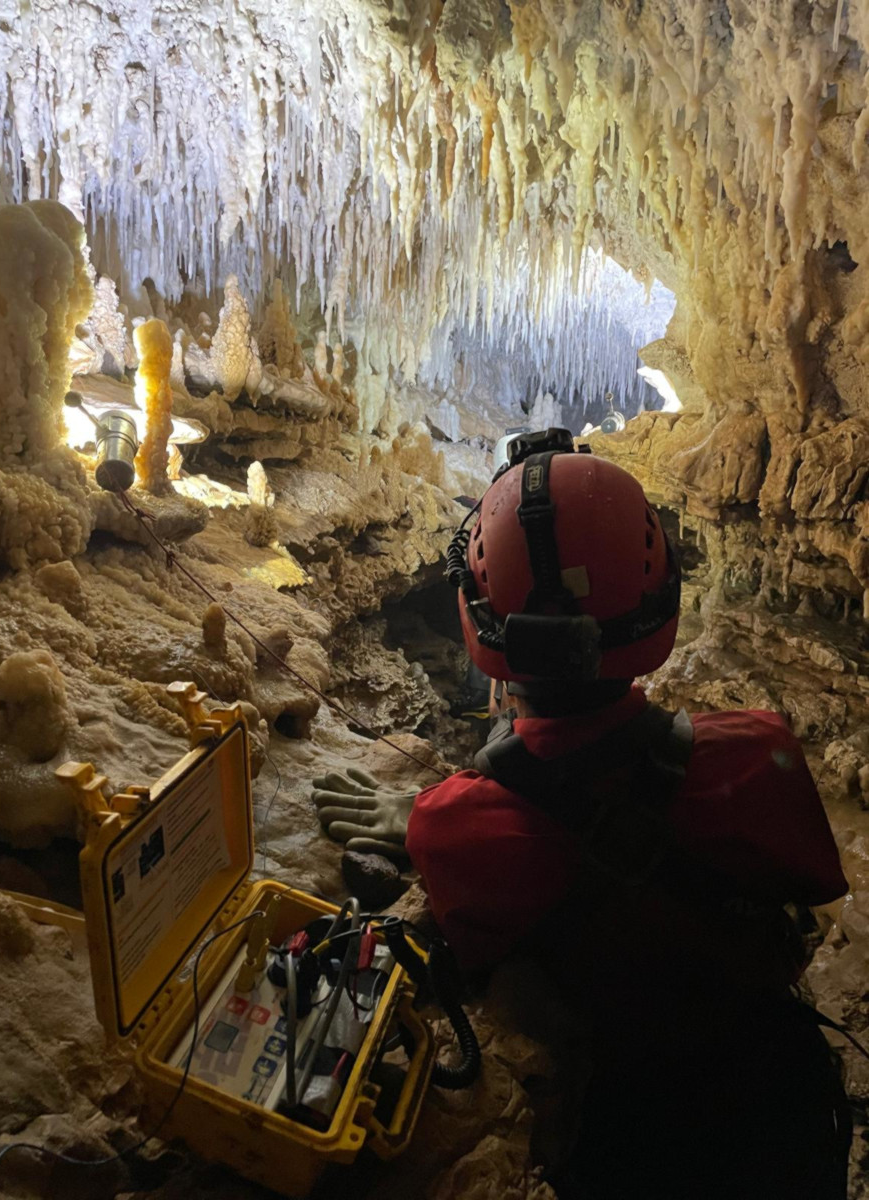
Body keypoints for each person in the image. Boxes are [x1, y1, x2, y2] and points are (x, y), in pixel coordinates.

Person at [313, 429, 851, 1199]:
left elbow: (487, 896)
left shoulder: (455, 827)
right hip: (778, 1114)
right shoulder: (758, 756)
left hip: (628, 1131)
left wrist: (438, 812)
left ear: (477, 620)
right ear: (661, 604)